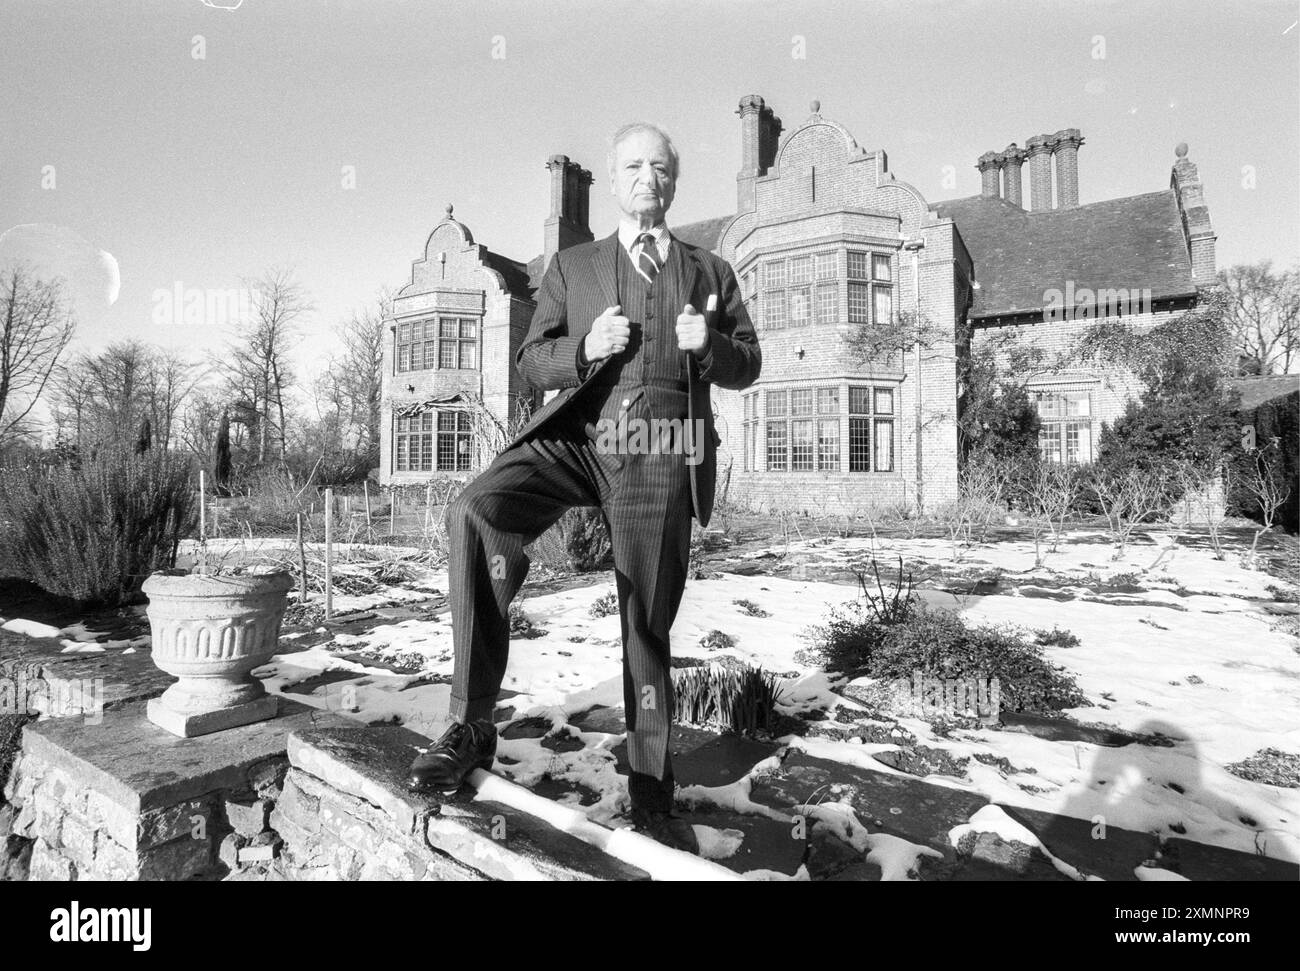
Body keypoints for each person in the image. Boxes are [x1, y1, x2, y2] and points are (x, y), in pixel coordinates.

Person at [408, 122, 761, 853]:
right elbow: (532, 363)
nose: (647, 177)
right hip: (580, 434)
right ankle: (472, 722)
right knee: (477, 508)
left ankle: (651, 789)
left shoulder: (711, 270)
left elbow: (749, 362)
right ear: (616, 174)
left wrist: (712, 346)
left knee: (644, 619)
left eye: (660, 167)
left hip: (662, 443)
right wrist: (582, 348)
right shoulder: (574, 266)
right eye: (633, 165)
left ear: (673, 180)